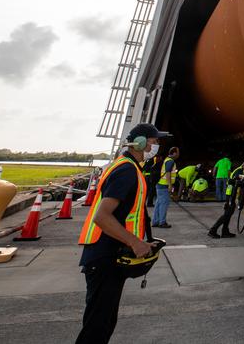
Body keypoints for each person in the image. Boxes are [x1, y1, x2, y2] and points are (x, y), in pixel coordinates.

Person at [76, 123, 165, 344]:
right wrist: (135, 243)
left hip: (109, 255)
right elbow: (102, 216)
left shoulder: (128, 166)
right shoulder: (127, 171)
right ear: (142, 143)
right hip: (105, 257)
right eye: (154, 142)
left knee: (104, 323)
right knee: (97, 328)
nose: (157, 147)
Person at [207, 158, 244, 239]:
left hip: (232, 196)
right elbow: (232, 185)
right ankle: (212, 230)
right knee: (226, 215)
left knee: (228, 214)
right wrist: (229, 200)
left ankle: (225, 231)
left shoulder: (241, 171)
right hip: (231, 196)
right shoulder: (239, 172)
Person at [152, 146, 178, 228]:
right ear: (174, 153)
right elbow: (168, 173)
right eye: (177, 152)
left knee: (158, 204)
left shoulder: (166, 160)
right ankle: (162, 222)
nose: (178, 154)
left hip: (160, 184)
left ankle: (155, 221)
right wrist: (170, 185)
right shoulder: (170, 161)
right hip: (164, 186)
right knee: (163, 204)